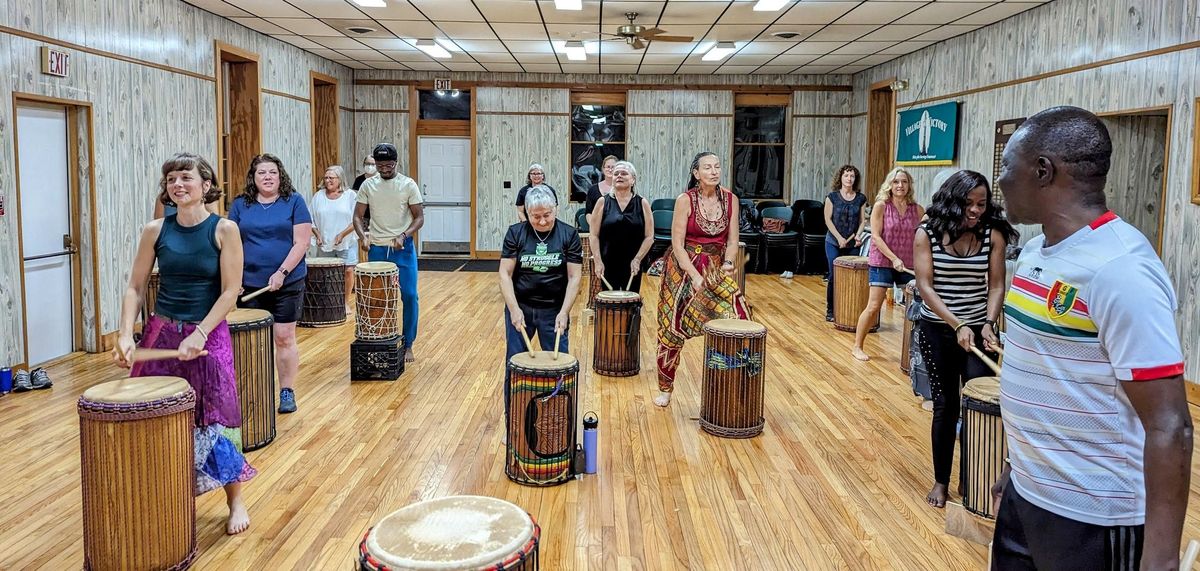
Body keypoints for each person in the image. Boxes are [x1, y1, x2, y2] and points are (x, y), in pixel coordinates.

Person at [991, 106, 1191, 570]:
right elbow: (1039, 372)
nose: (1000, 181)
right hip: (1027, 495)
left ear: (1043, 171)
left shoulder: (1122, 270)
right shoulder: (1038, 250)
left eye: (1007, 167)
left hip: (1096, 517)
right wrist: (1013, 468)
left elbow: (1170, 425)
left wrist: (1160, 561)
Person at [113, 152, 254, 535]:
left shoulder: (224, 229)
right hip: (162, 330)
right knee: (153, 412)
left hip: (207, 334)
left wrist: (201, 332)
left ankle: (235, 499)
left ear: (206, 186)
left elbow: (230, 292)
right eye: (172, 179)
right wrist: (126, 333)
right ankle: (162, 493)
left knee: (214, 418)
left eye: (186, 178)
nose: (178, 185)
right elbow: (135, 286)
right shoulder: (155, 230)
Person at [912, 169, 1015, 509]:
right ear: (953, 202)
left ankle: (971, 480)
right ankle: (941, 481)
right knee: (946, 406)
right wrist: (956, 324)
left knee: (977, 406)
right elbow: (925, 287)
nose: (975, 210)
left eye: (982, 204)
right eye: (968, 204)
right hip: (938, 328)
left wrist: (988, 322)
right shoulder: (926, 233)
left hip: (979, 329)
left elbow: (996, 285)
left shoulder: (992, 234)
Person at [655, 152, 750, 407]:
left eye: (717, 166)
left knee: (740, 317)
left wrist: (729, 263)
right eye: (707, 167)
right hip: (683, 267)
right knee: (672, 327)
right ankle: (665, 387)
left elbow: (732, 240)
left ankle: (733, 384)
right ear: (696, 173)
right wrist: (695, 276)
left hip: (716, 267)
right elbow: (677, 244)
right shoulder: (685, 200)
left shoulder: (731, 199)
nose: (714, 171)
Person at [228, 154, 312, 414]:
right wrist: (235, 278)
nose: (267, 177)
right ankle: (252, 391)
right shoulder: (241, 205)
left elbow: (302, 242)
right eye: (261, 172)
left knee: (284, 337)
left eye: (272, 172)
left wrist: (282, 272)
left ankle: (286, 391)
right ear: (253, 178)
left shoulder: (294, 201)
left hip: (287, 282)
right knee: (251, 342)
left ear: (280, 175)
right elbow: (230, 243)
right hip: (250, 284)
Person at [354, 143, 424, 363]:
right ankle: (379, 340)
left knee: (410, 296)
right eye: (380, 164)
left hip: (402, 249)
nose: (384, 168)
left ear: (396, 162)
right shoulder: (368, 185)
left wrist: (404, 235)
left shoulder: (408, 185)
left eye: (388, 164)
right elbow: (357, 216)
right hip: (377, 249)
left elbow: (419, 217)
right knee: (379, 298)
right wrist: (363, 236)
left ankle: (408, 343)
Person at [499, 185, 583, 363]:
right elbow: (504, 274)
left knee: (558, 361)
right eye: (536, 217)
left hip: (554, 308)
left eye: (547, 215)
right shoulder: (516, 233)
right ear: (527, 213)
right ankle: (514, 392)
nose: (543, 221)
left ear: (555, 209)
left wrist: (564, 312)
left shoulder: (569, 234)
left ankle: (557, 393)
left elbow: (574, 277)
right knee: (515, 361)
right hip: (521, 306)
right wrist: (514, 309)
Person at [851, 167, 923, 361]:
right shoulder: (881, 205)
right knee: (874, 305)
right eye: (896, 182)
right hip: (882, 261)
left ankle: (916, 352)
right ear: (890, 185)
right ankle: (857, 346)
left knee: (916, 306)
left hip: (907, 263)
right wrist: (893, 258)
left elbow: (924, 235)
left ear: (909, 185)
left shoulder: (917, 209)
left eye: (904, 182)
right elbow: (875, 237)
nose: (900, 185)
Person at [589, 160, 653, 294]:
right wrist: (598, 261)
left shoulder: (642, 203)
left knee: (630, 305)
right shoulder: (602, 202)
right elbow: (593, 235)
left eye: (624, 173)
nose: (619, 176)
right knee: (610, 308)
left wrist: (637, 259)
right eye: (616, 173)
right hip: (608, 263)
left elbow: (649, 237)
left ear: (633, 180)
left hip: (633, 264)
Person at [310, 165, 358, 314]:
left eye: (332, 178)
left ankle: (344, 302)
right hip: (325, 241)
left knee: (348, 271)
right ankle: (329, 301)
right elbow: (310, 219)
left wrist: (342, 234)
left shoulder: (350, 195)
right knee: (326, 273)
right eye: (326, 177)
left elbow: (356, 220)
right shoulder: (318, 196)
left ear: (340, 179)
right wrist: (317, 234)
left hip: (346, 240)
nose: (328, 180)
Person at [823, 165, 868, 321]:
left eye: (852, 176)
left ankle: (849, 310)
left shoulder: (861, 198)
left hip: (852, 245)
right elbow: (827, 219)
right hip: (833, 242)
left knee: (852, 277)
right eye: (846, 175)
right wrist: (839, 238)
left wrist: (859, 235)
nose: (849, 179)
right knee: (834, 276)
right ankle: (831, 310)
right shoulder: (832, 197)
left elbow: (863, 221)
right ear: (841, 178)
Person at [585, 155, 619, 227]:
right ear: (603, 169)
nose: (610, 170)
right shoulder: (593, 190)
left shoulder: (623, 189)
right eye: (608, 167)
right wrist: (595, 228)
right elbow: (588, 213)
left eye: (613, 167)